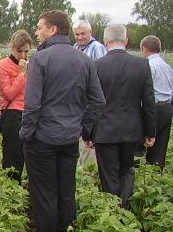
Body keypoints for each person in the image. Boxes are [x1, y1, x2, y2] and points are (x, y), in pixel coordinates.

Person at [20, 10, 105, 232]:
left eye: (40, 28)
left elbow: (32, 104)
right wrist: (82, 127)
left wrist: (26, 133)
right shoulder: (84, 60)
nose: (37, 32)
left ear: (53, 29)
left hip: (42, 140)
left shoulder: (41, 59)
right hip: (69, 140)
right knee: (66, 195)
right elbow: (98, 101)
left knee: (45, 197)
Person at [86, 25, 155, 207]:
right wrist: (150, 132)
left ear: (105, 42)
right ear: (126, 41)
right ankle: (124, 208)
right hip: (132, 130)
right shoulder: (141, 65)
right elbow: (148, 102)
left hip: (105, 130)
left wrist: (87, 133)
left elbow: (91, 102)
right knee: (127, 168)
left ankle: (113, 210)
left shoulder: (97, 66)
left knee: (108, 173)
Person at [0, 30, 33, 183]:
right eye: (19, 51)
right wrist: (22, 73)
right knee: (13, 156)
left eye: (26, 51)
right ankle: (12, 187)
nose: (23, 55)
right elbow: (9, 94)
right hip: (12, 114)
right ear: (12, 48)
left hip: (29, 112)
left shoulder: (33, 65)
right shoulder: (3, 66)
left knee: (30, 155)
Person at [73, 20, 107, 167]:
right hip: (77, 105)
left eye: (83, 34)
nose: (80, 37)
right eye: (77, 34)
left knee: (89, 150)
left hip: (90, 105)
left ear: (90, 33)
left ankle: (88, 181)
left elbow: (99, 80)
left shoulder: (96, 48)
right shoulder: (75, 48)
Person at [141, 35, 173, 168]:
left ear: (144, 48)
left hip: (153, 108)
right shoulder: (166, 66)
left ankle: (141, 172)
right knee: (160, 145)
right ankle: (157, 171)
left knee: (143, 142)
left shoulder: (148, 65)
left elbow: (145, 91)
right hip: (167, 107)